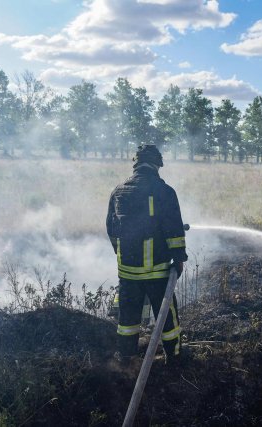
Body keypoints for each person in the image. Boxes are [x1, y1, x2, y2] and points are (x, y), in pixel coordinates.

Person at [106, 144, 188, 365]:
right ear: (157, 164)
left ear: (136, 163)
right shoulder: (164, 191)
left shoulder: (119, 190)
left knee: (128, 319)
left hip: (127, 271)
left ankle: (126, 358)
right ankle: (174, 358)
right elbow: (174, 230)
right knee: (166, 317)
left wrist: (121, 253)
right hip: (157, 270)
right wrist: (179, 258)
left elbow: (112, 230)